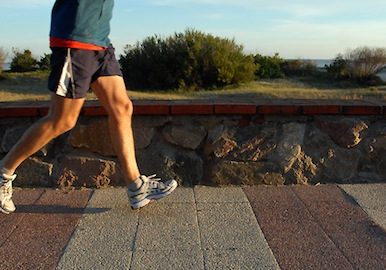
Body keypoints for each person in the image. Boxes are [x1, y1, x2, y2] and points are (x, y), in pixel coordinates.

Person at [0, 0, 177, 214]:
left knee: (122, 108)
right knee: (62, 119)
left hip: (100, 42)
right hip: (75, 40)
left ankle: (136, 186)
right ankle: (3, 173)